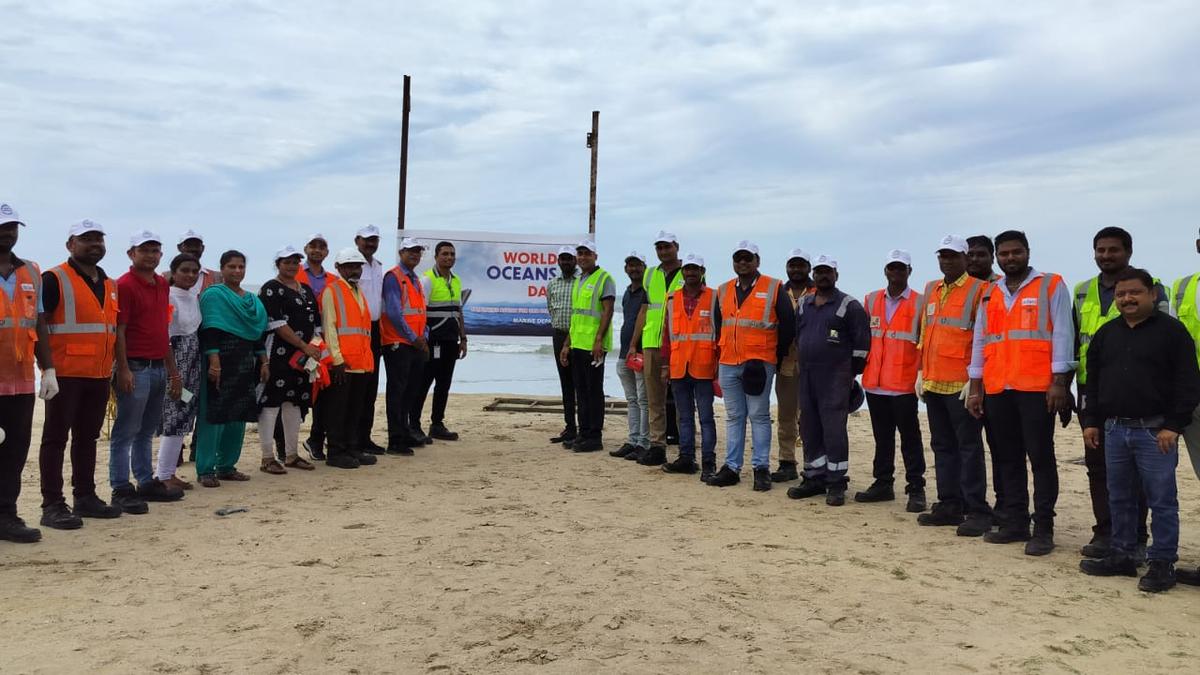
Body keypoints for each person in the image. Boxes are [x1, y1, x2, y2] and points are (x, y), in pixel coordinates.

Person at [1079, 267, 1200, 593]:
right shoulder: (1107, 334)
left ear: (1152, 295)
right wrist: (1092, 421)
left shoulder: (1173, 333)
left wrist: (1173, 426)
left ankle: (1162, 563)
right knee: (1119, 497)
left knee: (1162, 501)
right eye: (1121, 294)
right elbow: (1094, 382)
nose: (1127, 299)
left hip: (1155, 433)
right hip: (1115, 430)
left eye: (1135, 293)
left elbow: (1188, 383)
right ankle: (1123, 554)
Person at [966, 230, 1073, 556]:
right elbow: (981, 341)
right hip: (999, 387)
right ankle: (1014, 521)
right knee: (1006, 457)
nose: (1010, 258)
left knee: (1040, 458)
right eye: (1005, 253)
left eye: (1016, 252)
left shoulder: (1051, 285)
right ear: (998, 256)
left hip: (1036, 388)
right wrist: (975, 387)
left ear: (1027, 252)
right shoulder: (990, 293)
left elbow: (1063, 334)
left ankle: (1043, 528)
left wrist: (1059, 382)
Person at [1074, 227, 1168, 560]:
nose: (1106, 256)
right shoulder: (1082, 291)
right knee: (1098, 466)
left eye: (1113, 250)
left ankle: (1138, 538)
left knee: (1139, 471)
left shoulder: (1150, 288)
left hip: (1139, 389)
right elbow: (1074, 340)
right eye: (1100, 250)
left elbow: (1163, 339)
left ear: (1128, 251)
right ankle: (1106, 533)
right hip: (1092, 387)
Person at [39, 219, 124, 530]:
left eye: (99, 239)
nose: (94, 245)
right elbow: (40, 325)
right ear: (70, 245)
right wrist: (46, 369)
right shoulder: (54, 278)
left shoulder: (110, 284)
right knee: (55, 439)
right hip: (65, 374)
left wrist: (118, 368)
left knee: (87, 438)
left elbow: (113, 330)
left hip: (99, 374)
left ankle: (85, 497)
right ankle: (52, 505)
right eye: (86, 239)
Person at [917, 236, 994, 536]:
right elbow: (926, 331)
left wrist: (977, 381)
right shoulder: (931, 289)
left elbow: (984, 337)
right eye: (942, 256)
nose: (946, 261)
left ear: (965, 258)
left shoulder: (980, 290)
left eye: (953, 256)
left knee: (969, 448)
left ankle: (976, 509)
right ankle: (949, 504)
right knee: (942, 446)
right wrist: (921, 372)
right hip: (934, 381)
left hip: (963, 384)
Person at [707, 241, 795, 491]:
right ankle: (731, 468)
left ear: (757, 261)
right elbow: (718, 324)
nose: (743, 263)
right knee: (734, 416)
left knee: (758, 415)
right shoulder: (723, 290)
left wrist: (774, 356)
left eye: (748, 258)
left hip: (759, 363)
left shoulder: (774, 287)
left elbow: (788, 325)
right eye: (738, 258)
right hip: (729, 362)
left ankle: (761, 468)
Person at [109, 230, 185, 514]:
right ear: (131, 254)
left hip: (157, 367)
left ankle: (145, 481)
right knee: (125, 431)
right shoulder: (125, 285)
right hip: (136, 367)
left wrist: (173, 371)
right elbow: (120, 330)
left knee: (147, 430)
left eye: (155, 250)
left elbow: (161, 329)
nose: (150, 255)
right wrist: (124, 369)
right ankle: (120, 487)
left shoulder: (162, 284)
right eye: (144, 250)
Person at [787, 254, 870, 505]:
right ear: (814, 274)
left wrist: (849, 375)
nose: (823, 276)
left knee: (833, 430)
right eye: (820, 271)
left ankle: (836, 482)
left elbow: (862, 346)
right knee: (809, 427)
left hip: (835, 377)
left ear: (836, 275)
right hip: (808, 375)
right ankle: (814, 476)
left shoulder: (849, 305)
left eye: (828, 272)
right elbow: (798, 335)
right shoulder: (804, 304)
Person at [0, 202, 55, 543]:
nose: (7, 232)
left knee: (15, 449)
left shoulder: (31, 271)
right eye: (2, 227)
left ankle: (6, 514)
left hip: (19, 380)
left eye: (12, 226)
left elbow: (39, 321)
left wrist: (47, 367)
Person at [856, 249, 927, 512]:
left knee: (910, 438)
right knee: (882, 437)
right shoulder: (871, 299)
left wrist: (922, 375)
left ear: (910, 271)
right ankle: (883, 482)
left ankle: (916, 488)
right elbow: (863, 338)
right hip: (875, 383)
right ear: (885, 270)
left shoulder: (921, 302)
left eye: (901, 268)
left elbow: (925, 342)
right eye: (892, 268)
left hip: (904, 383)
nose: (896, 273)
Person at [195, 250, 268, 488]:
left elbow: (258, 334)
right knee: (214, 415)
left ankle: (227, 466)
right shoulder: (214, 296)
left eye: (240, 267)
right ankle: (206, 469)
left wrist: (264, 361)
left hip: (245, 362)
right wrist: (214, 362)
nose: (237, 271)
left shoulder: (252, 300)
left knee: (238, 415)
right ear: (222, 269)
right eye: (231, 267)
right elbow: (210, 331)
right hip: (220, 360)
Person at [256, 246, 319, 475]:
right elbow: (277, 324)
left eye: (295, 262)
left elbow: (316, 323)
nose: (291, 266)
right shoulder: (271, 289)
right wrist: (304, 346)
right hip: (278, 353)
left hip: (302, 358)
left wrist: (315, 346)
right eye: (287, 262)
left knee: (294, 403)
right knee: (271, 402)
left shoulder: (306, 290)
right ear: (277, 264)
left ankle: (291, 454)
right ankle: (267, 456)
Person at [660, 254, 719, 480]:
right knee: (684, 417)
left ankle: (708, 462)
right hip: (678, 366)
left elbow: (720, 332)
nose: (691, 273)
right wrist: (665, 365)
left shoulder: (714, 297)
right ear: (683, 271)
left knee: (705, 417)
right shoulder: (672, 298)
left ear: (702, 271)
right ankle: (686, 459)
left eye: (695, 269)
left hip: (703, 366)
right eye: (687, 269)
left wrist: (718, 367)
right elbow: (667, 335)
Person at [319, 248, 378, 469]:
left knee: (356, 409)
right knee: (338, 410)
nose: (355, 270)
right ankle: (335, 451)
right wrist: (337, 360)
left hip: (361, 362)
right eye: (350, 266)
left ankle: (352, 448)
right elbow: (330, 328)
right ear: (339, 268)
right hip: (343, 363)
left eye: (358, 266)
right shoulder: (332, 291)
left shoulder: (357, 291)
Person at [629, 230, 684, 465]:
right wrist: (634, 344)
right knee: (654, 399)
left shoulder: (690, 271)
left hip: (680, 344)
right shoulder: (650, 274)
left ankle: (686, 448)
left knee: (681, 399)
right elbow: (644, 310)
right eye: (659, 248)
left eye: (667, 247)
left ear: (676, 247)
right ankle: (657, 445)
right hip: (652, 343)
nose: (663, 251)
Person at [558, 239, 615, 453]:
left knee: (593, 391)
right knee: (580, 391)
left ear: (595, 256)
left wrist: (599, 339)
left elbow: (607, 311)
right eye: (580, 254)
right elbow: (577, 317)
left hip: (594, 346)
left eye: (587, 254)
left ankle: (594, 436)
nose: (583, 257)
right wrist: (567, 344)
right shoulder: (580, 280)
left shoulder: (604, 278)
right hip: (578, 344)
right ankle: (583, 433)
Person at [155, 254, 203, 491]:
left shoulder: (194, 297)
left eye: (195, 271)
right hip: (175, 364)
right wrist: (173, 373)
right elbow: (164, 336)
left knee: (184, 415)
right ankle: (162, 474)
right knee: (173, 415)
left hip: (193, 363)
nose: (190, 275)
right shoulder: (168, 297)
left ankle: (169, 472)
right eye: (185, 270)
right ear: (173, 272)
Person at [414, 241, 467, 441]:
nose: (449, 257)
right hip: (433, 342)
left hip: (450, 341)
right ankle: (414, 424)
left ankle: (437, 424)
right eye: (445, 254)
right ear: (436, 257)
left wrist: (463, 338)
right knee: (424, 383)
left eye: (452, 254)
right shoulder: (427, 280)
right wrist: (423, 341)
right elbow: (420, 312)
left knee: (444, 384)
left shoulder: (456, 280)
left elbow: (459, 312)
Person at [381, 237, 429, 454]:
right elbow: (393, 313)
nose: (414, 255)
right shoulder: (394, 277)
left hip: (414, 343)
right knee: (397, 393)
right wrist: (414, 338)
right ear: (401, 253)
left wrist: (423, 337)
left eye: (417, 252)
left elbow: (420, 313)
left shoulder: (415, 279)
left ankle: (405, 432)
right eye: (410, 251)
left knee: (410, 392)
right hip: (398, 344)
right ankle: (395, 440)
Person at [770, 249, 813, 483]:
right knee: (785, 414)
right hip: (786, 360)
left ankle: (812, 463)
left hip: (813, 363)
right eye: (792, 265)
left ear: (808, 267)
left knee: (809, 415)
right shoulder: (777, 292)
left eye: (801, 265)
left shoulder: (820, 291)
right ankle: (787, 462)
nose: (796, 270)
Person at [295, 232, 336, 460]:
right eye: (313, 246)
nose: (317, 250)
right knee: (297, 394)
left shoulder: (333, 279)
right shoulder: (294, 273)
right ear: (306, 248)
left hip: (324, 341)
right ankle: (285, 447)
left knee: (323, 390)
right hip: (297, 342)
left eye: (322, 247)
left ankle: (316, 438)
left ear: (327, 253)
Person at [611, 251, 650, 459]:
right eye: (630, 265)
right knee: (632, 399)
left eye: (638, 265)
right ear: (626, 269)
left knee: (643, 400)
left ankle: (644, 442)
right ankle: (633, 439)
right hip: (625, 353)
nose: (634, 269)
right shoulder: (627, 292)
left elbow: (642, 321)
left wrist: (634, 346)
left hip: (640, 352)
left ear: (644, 267)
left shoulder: (647, 291)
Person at [353, 224, 387, 455]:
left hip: (375, 331)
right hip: (356, 331)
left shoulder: (378, 267)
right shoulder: (351, 266)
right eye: (366, 240)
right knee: (356, 389)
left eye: (374, 240)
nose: (370, 244)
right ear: (357, 240)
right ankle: (352, 439)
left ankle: (365, 437)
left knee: (371, 389)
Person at [546, 245, 578, 446]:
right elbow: (551, 308)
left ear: (574, 260)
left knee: (581, 385)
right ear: (558, 261)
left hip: (579, 337)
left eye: (569, 258)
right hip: (559, 335)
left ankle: (585, 429)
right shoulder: (552, 284)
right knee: (566, 384)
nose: (566, 262)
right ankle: (570, 427)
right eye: (562, 259)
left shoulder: (581, 282)